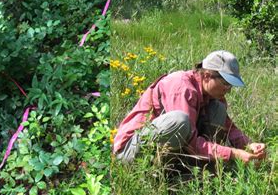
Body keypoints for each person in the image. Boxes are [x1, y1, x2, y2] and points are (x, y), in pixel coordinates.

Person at [113, 50, 266, 167]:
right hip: (130, 151)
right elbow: (189, 142)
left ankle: (192, 168)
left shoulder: (210, 94)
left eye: (231, 85)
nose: (229, 89)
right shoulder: (182, 88)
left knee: (218, 108)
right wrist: (233, 153)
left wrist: (247, 145)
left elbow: (228, 126)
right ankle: (158, 171)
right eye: (226, 83)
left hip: (166, 145)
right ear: (206, 76)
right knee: (180, 120)